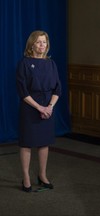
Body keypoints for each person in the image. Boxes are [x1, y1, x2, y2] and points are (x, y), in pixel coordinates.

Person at [16, 30, 61, 192]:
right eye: (38, 42)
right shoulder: (24, 63)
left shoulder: (51, 64)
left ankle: (42, 175)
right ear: (31, 45)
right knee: (27, 143)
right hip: (30, 108)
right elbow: (23, 92)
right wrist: (39, 107)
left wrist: (49, 107)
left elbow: (58, 89)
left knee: (44, 143)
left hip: (48, 108)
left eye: (44, 42)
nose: (42, 45)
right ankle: (26, 177)